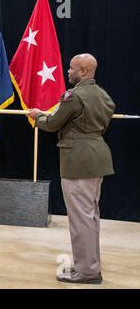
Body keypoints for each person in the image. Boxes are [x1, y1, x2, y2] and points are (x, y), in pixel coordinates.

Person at [27, 53, 115, 284]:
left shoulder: (73, 96)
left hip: (78, 162)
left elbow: (54, 123)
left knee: (81, 219)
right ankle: (90, 266)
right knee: (91, 217)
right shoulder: (103, 95)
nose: (68, 71)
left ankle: (87, 272)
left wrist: (38, 117)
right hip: (97, 158)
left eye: (72, 68)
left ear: (84, 72)